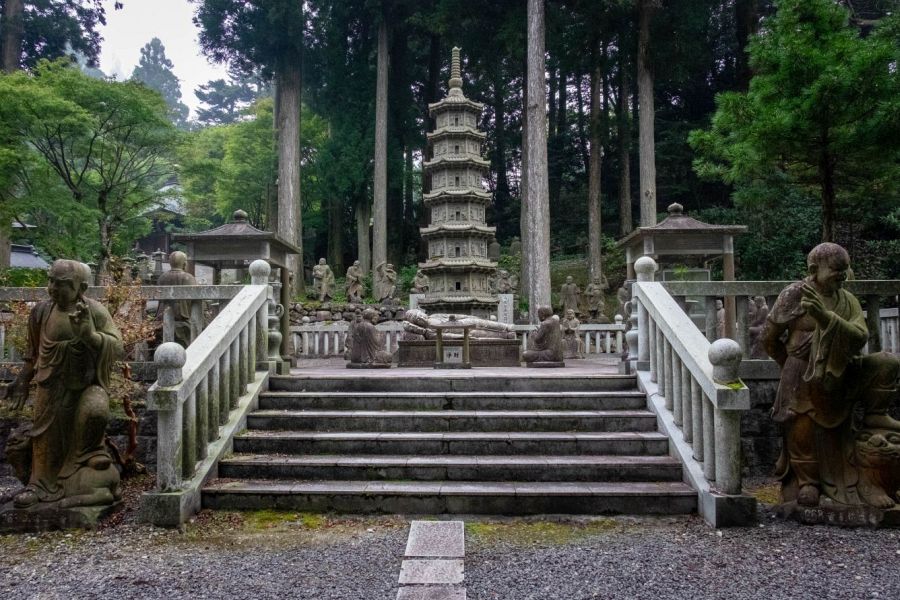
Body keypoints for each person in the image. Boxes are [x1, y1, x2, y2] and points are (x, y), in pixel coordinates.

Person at [762, 243, 900, 508]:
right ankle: (807, 482)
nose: (842, 276)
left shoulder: (846, 299)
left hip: (841, 369)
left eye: (845, 270)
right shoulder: (795, 294)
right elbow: (770, 338)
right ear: (815, 270)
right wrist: (788, 364)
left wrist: (825, 318)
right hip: (802, 370)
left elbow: (860, 336)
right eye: (836, 270)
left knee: (887, 362)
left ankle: (875, 412)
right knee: (801, 428)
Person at [3, 260, 123, 509]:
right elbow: (33, 353)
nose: (54, 289)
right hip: (50, 383)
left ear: (81, 287)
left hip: (85, 383)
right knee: (44, 434)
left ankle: (80, 472)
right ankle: (40, 485)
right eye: (51, 282)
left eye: (63, 284)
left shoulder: (94, 311)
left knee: (94, 413)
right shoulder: (41, 312)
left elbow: (117, 345)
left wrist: (89, 336)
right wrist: (22, 379)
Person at [156, 251, 198, 347]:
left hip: (162, 315)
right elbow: (193, 299)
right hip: (182, 315)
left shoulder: (162, 277)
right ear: (184, 263)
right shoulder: (188, 277)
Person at [402, 308, 515, 340]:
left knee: (484, 323)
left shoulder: (434, 316)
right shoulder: (429, 331)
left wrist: (466, 316)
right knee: (482, 334)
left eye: (419, 314)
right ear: (417, 323)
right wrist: (461, 337)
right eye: (418, 318)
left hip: (463, 322)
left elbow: (452, 314)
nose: (421, 317)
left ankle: (506, 327)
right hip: (462, 331)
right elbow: (444, 336)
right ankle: (506, 336)